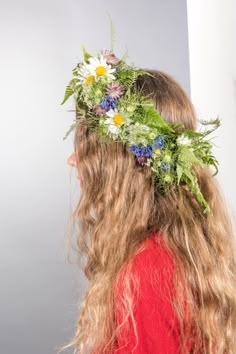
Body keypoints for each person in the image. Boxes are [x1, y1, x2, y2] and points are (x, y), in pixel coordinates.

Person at [59, 56, 236, 354]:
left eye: (88, 149)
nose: (73, 159)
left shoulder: (146, 273)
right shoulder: (179, 251)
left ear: (120, 163)